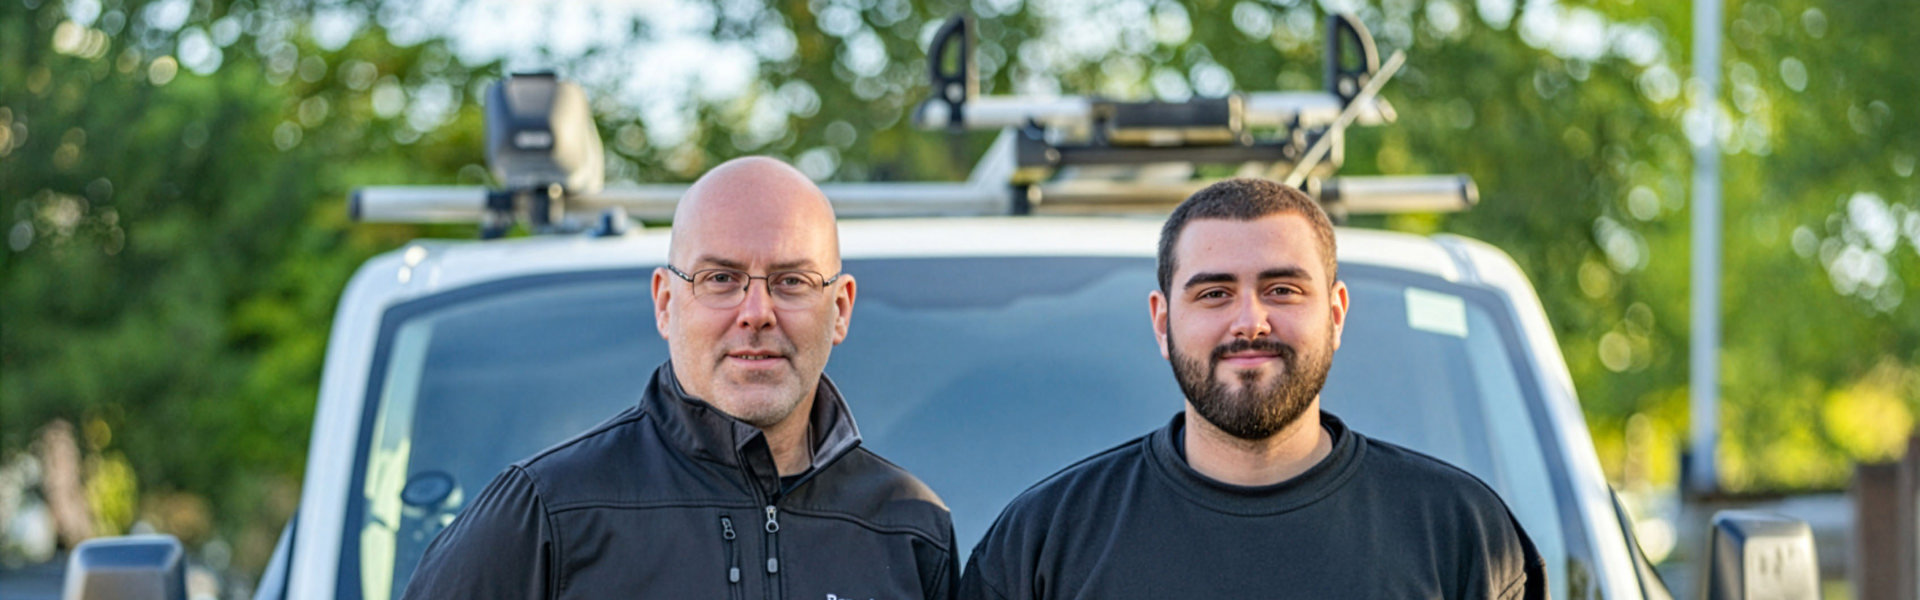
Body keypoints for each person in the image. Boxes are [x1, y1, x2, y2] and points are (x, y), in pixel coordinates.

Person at [958, 178, 1547, 599]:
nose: (1250, 321)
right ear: (1162, 322)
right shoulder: (1045, 541)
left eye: (1283, 290)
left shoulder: (1461, 533)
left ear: (1336, 315)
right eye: (1214, 293)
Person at [404, 157, 958, 599]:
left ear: (839, 309)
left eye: (792, 281)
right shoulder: (547, 516)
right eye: (721, 278)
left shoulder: (910, 528)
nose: (757, 310)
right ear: (666, 303)